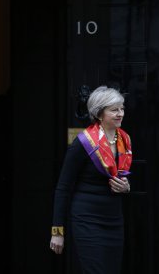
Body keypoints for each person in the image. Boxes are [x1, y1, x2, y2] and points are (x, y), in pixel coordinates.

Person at [50, 86, 132, 274]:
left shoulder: (125, 139)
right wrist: (57, 231)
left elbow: (123, 178)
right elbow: (63, 188)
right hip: (87, 220)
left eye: (122, 108)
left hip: (114, 219)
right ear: (99, 113)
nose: (121, 114)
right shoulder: (83, 143)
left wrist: (126, 188)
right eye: (114, 110)